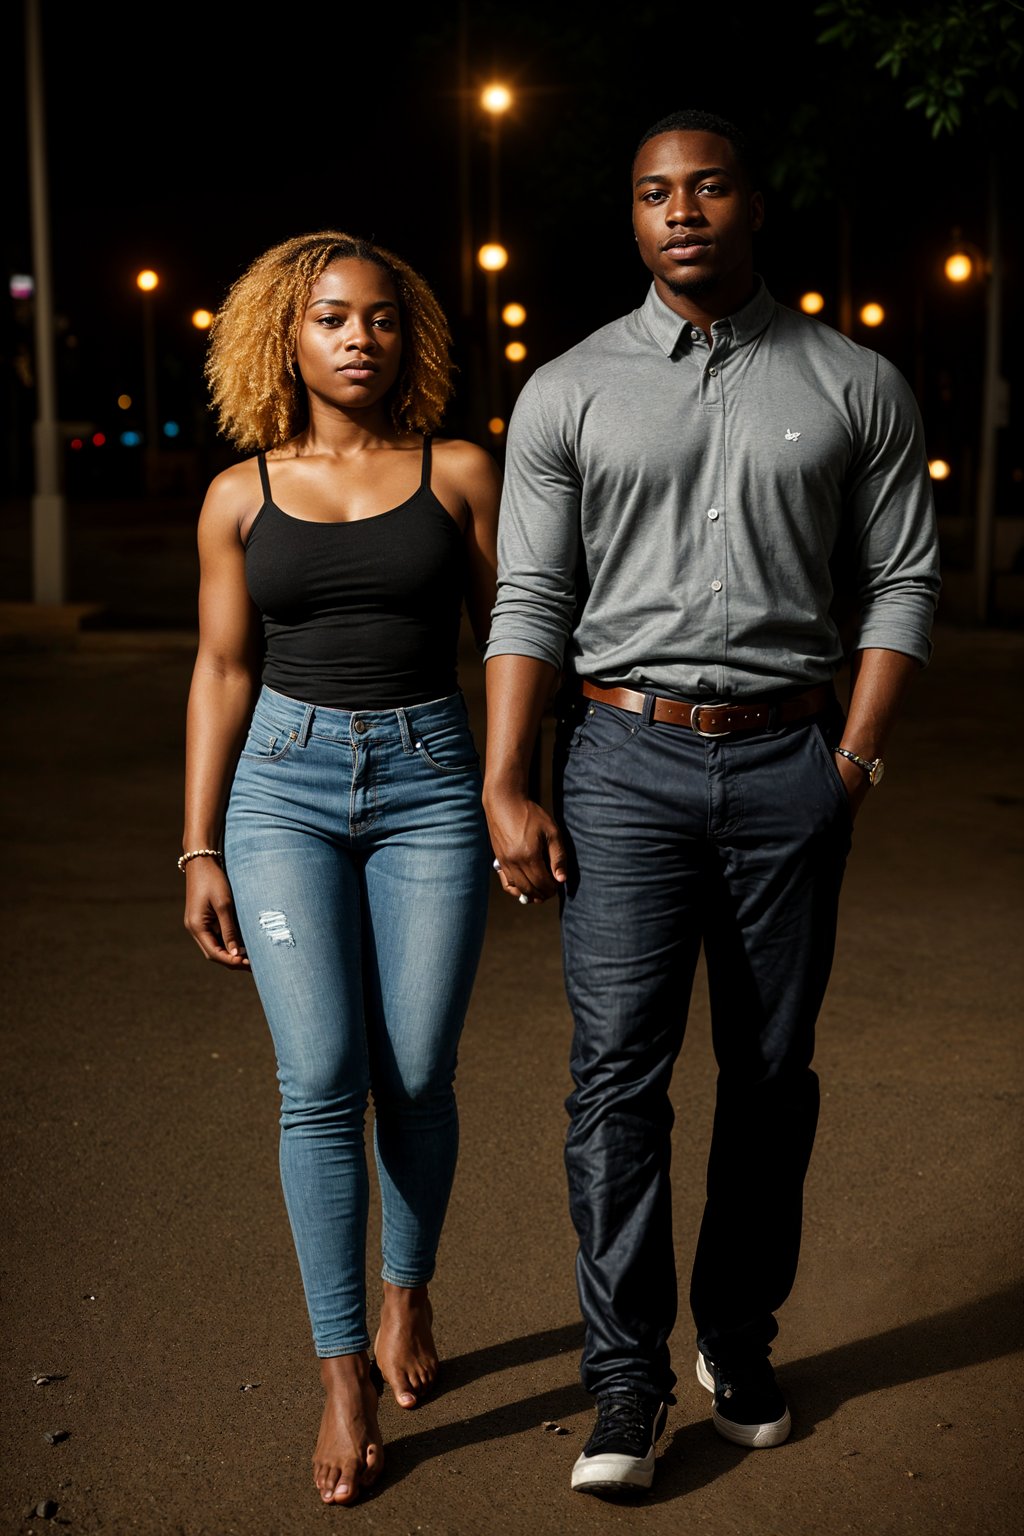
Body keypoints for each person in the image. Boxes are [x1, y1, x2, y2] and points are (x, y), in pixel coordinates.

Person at [482, 108, 941, 1498]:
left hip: (791, 761)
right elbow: (534, 595)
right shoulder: (568, 389)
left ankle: (736, 1338)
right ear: (633, 220)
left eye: (707, 186)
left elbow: (902, 582)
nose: (679, 210)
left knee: (768, 1075)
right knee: (616, 1077)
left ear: (752, 204)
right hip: (622, 760)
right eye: (651, 194)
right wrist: (509, 776)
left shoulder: (855, 382)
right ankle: (624, 1375)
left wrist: (852, 761)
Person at [180, 231, 500, 1506]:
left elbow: (508, 641)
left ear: (406, 337)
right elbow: (220, 672)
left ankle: (405, 1300)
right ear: (285, 339)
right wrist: (199, 840)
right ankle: (338, 1371)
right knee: (318, 1075)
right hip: (279, 791)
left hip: (430, 786)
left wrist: (512, 784)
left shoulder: (462, 471)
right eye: (330, 319)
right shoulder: (239, 494)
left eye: (379, 319)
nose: (359, 337)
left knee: (415, 1069)